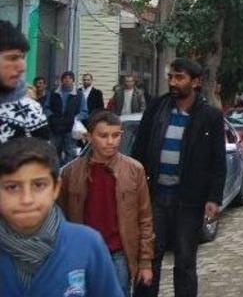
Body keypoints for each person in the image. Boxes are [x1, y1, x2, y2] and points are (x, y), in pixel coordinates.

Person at [130, 58, 226, 297]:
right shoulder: (157, 108)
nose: (173, 82)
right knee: (149, 257)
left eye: (179, 77)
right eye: (171, 77)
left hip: (189, 201)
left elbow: (218, 160)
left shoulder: (210, 116)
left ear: (195, 82)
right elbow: (139, 150)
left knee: (184, 261)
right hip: (155, 199)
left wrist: (213, 198)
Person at [0, 137, 124, 296]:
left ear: (56, 188)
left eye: (39, 185)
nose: (27, 199)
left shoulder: (86, 244)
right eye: (12, 187)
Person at [58, 111, 154, 296]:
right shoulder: (71, 172)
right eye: (103, 136)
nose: (111, 142)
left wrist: (145, 262)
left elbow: (145, 219)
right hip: (83, 254)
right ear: (89, 137)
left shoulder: (134, 170)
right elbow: (61, 217)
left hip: (119, 253)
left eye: (116, 135)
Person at [0, 21, 50, 143]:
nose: (22, 67)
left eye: (22, 57)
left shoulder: (29, 111)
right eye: (12, 58)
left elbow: (44, 158)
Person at [47, 71, 88, 164]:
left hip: (70, 129)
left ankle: (68, 173)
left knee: (71, 153)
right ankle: (56, 173)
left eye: (69, 79)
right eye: (65, 78)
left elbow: (84, 112)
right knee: (53, 153)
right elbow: (46, 108)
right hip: (55, 129)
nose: (67, 81)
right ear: (62, 80)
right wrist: (52, 117)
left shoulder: (79, 95)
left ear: (73, 80)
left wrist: (75, 118)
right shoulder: (53, 93)